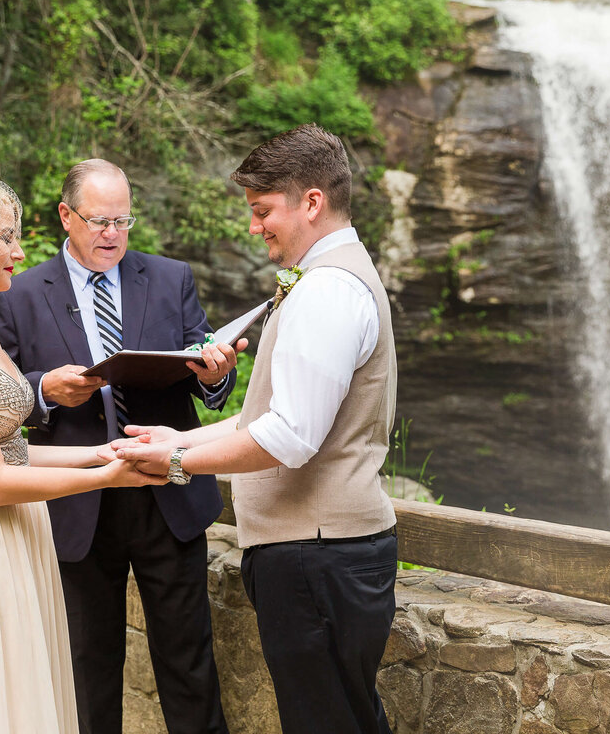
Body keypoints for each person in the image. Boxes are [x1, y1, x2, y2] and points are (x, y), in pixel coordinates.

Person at [116, 123, 399, 734]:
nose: (254, 226)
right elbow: (271, 418)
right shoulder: (334, 280)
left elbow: (289, 439)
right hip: (320, 554)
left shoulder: (326, 292)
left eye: (263, 210)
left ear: (313, 203)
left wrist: (175, 465)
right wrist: (178, 438)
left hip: (317, 558)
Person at [0, 171, 167, 734]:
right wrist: (107, 479)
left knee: (20, 693)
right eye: (7, 238)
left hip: (6, 534)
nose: (19, 251)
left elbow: (9, 450)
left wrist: (102, 454)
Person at [0, 159, 238, 734]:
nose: (113, 234)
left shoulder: (172, 277)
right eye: (100, 220)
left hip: (166, 493)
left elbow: (212, 384)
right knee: (87, 665)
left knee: (188, 659)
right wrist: (43, 391)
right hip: (79, 502)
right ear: (65, 216)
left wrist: (213, 373)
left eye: (123, 220)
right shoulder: (19, 295)